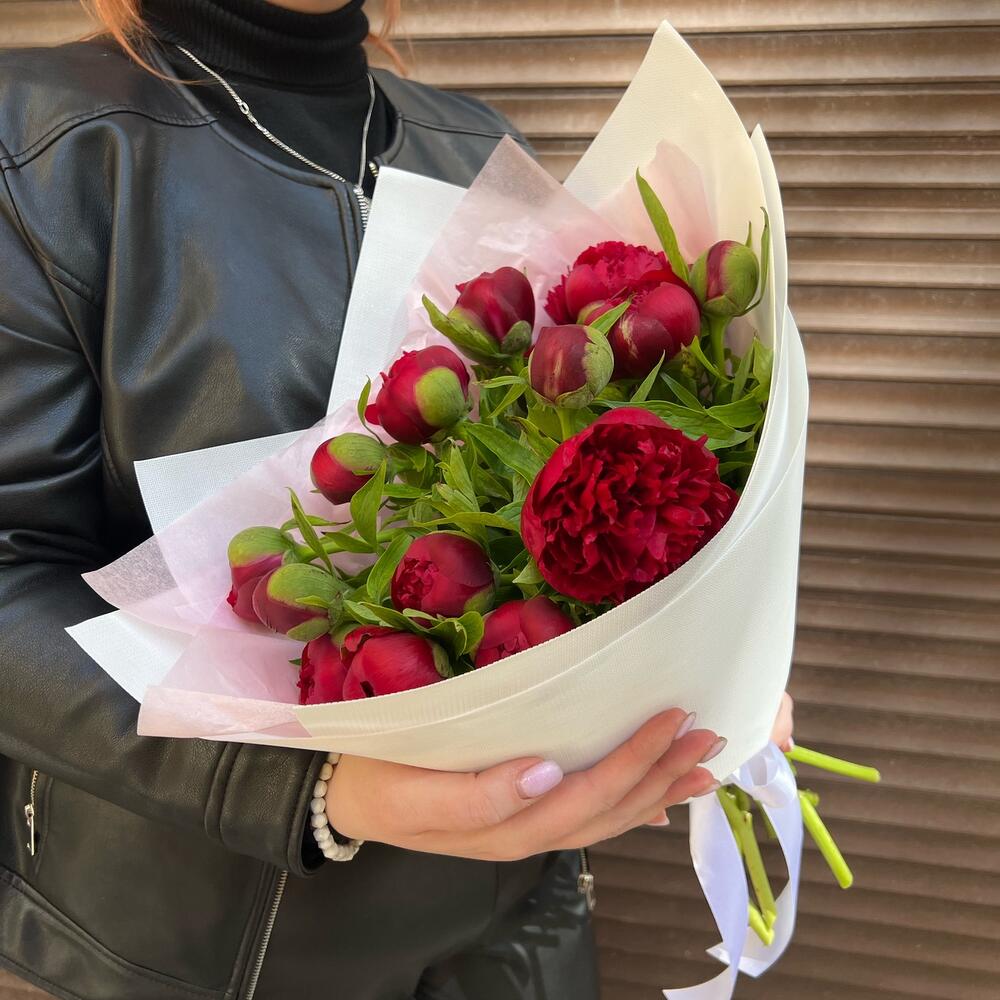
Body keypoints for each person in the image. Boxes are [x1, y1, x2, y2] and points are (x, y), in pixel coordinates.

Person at [0, 2, 794, 997]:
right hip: (207, 947)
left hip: (517, 929)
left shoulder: (472, 143)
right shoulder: (42, 147)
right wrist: (310, 785)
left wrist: (713, 656)